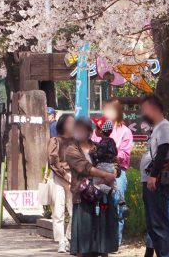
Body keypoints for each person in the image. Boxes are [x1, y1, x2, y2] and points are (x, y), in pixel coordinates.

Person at [65, 117, 119, 257]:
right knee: (83, 244)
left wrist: (114, 171)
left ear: (90, 131)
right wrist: (104, 174)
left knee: (102, 240)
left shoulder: (99, 145)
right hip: (83, 196)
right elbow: (84, 167)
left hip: (102, 196)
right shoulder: (71, 149)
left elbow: (114, 161)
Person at [139, 94, 169, 257]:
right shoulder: (157, 128)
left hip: (158, 182)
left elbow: (162, 152)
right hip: (151, 181)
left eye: (144, 110)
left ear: (154, 109)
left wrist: (153, 175)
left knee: (160, 225)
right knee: (153, 225)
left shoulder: (164, 127)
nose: (143, 114)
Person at [93, 97, 134, 245]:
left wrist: (111, 157)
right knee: (99, 203)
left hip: (117, 172)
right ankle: (101, 240)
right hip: (98, 172)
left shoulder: (125, 131)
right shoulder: (98, 129)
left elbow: (125, 154)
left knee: (116, 206)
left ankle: (115, 241)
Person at [47, 113, 75, 254]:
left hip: (73, 178)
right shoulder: (55, 141)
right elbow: (53, 162)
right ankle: (61, 242)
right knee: (58, 211)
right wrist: (66, 176)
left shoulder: (76, 141)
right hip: (59, 178)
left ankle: (68, 237)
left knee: (74, 210)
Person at [90, 118, 118, 197]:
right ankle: (120, 199)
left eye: (96, 127)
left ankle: (109, 191)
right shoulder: (112, 141)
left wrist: (92, 152)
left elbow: (98, 154)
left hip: (103, 166)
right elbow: (115, 152)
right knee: (113, 184)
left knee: (95, 184)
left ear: (100, 131)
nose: (95, 129)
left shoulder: (103, 143)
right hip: (111, 166)